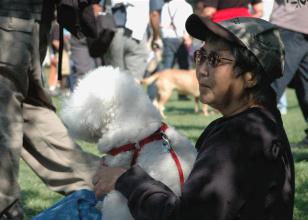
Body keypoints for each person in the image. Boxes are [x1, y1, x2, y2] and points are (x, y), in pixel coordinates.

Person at [93, 15, 295, 219]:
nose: (201, 70)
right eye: (201, 56)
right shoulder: (254, 124)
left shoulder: (240, 136)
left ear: (250, 75)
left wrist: (125, 179)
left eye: (215, 59)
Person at [0, 1, 101, 218]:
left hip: (11, 20)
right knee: (28, 112)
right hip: (31, 20)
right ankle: (110, 181)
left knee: (8, 113)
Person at [270, 0, 308, 147]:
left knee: (271, 84)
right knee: (271, 85)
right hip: (292, 24)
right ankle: (250, 134)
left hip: (295, 24)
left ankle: (251, 133)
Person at [103, 0, 150, 80]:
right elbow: (154, 13)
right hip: (137, 30)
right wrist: (156, 36)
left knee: (116, 79)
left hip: (115, 30)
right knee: (134, 79)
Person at [195, 0, 263, 22]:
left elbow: (210, 11)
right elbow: (259, 11)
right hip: (244, 23)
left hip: (221, 25)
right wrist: (248, 20)